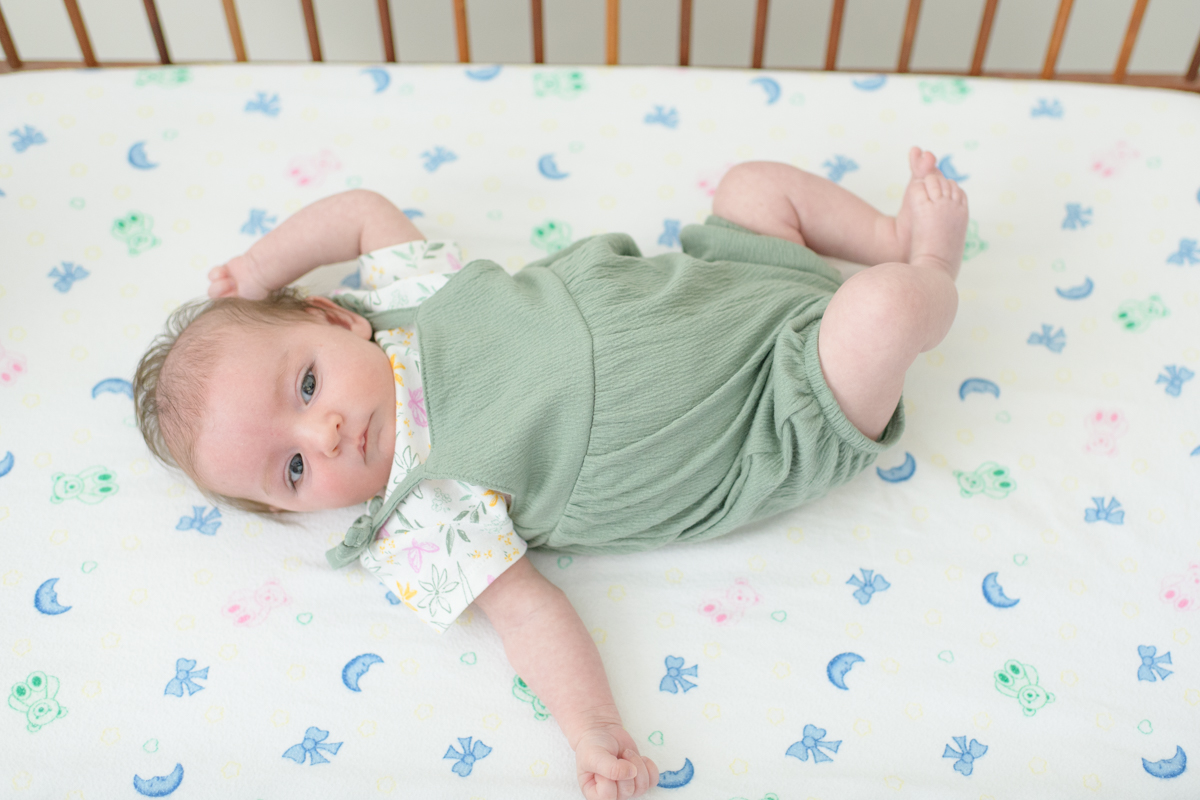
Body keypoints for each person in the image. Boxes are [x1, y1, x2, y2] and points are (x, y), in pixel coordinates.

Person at [133, 147, 966, 800]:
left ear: (332, 313)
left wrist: (255, 269)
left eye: (307, 384)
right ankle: (927, 270)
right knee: (884, 308)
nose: (327, 432)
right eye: (292, 469)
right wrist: (593, 728)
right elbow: (530, 615)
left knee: (753, 187)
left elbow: (357, 211)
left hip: (735, 280)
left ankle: (887, 236)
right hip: (770, 411)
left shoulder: (411, 293)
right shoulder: (422, 519)